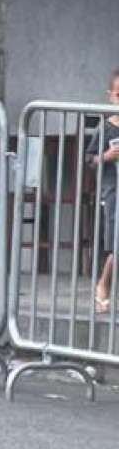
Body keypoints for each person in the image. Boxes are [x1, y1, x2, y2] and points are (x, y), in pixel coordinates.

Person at [91, 71, 119, 313]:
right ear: (111, 97)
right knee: (116, 243)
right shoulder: (106, 128)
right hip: (114, 192)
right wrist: (105, 157)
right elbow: (90, 160)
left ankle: (104, 284)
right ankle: (103, 284)